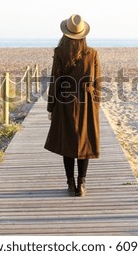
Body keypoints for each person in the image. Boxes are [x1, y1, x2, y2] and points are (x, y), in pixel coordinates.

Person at [44, 14, 101, 197]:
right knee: (84, 142)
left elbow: (56, 81)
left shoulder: (60, 52)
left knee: (67, 141)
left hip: (65, 100)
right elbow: (98, 82)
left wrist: (50, 107)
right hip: (86, 102)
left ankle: (70, 183)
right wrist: (96, 105)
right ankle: (81, 184)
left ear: (66, 33)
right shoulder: (92, 53)